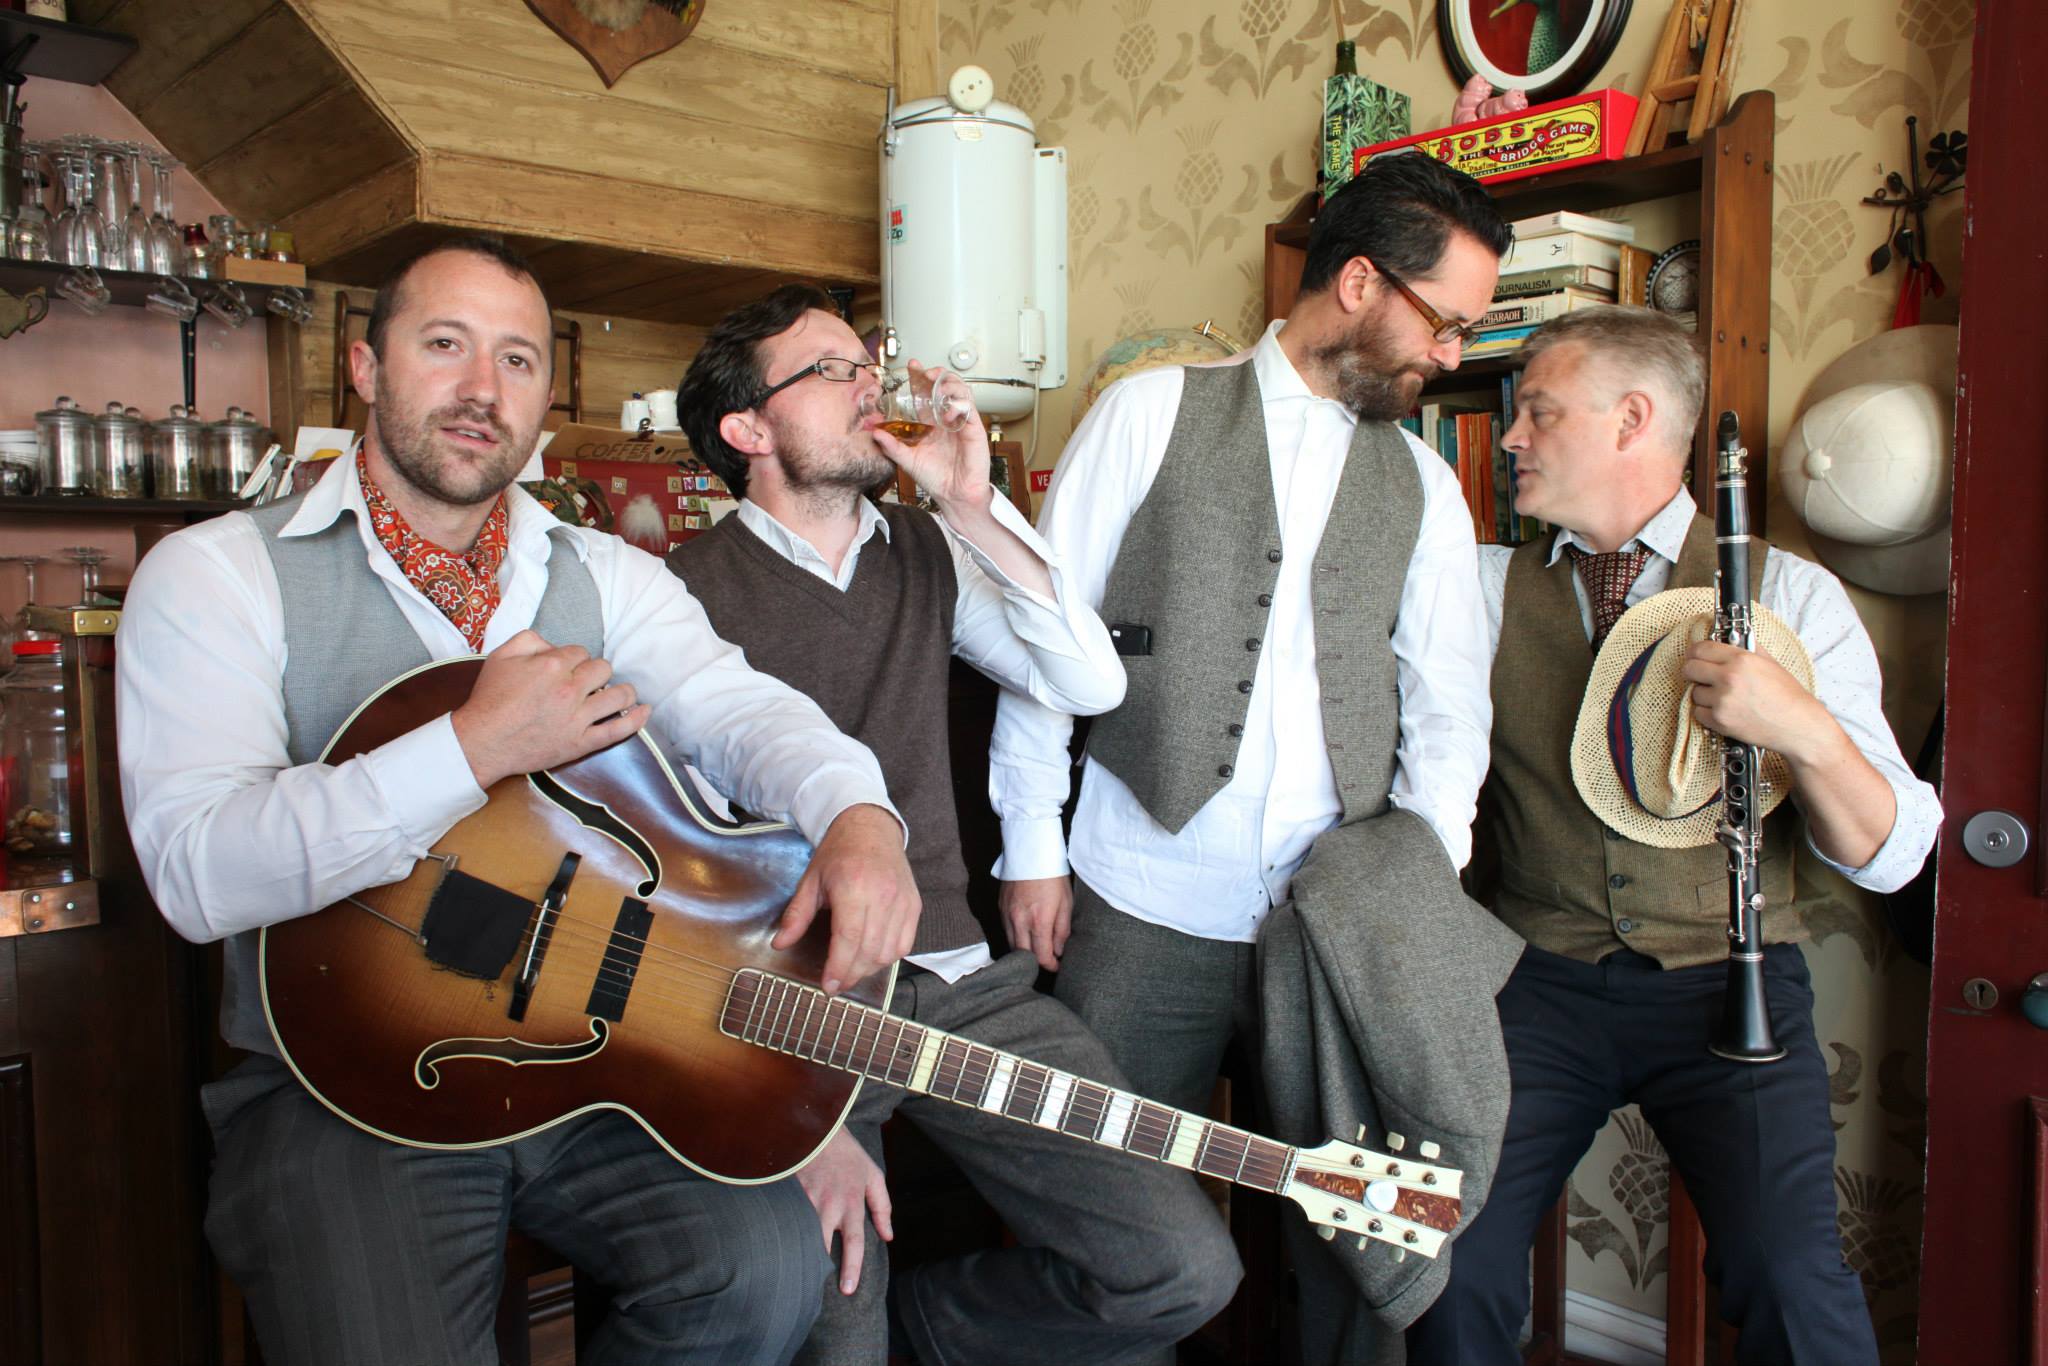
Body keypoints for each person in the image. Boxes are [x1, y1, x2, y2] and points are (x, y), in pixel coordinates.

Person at [116, 237, 929, 1366]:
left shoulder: (607, 575)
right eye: (444, 344)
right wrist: (473, 746)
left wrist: (856, 816)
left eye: (516, 359)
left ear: (546, 397)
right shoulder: (218, 574)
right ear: (365, 367)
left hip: (586, 1071)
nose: (480, 388)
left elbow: (740, 711)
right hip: (340, 1088)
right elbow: (196, 874)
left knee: (761, 1273)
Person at [668, 284, 1241, 1366]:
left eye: (865, 363)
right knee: (833, 1342)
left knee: (1184, 1269)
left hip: (962, 984)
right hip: (788, 1007)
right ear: (747, 430)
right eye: (831, 370)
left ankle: (926, 1330)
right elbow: (661, 866)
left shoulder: (928, 550)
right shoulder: (673, 594)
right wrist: (791, 1115)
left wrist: (972, 507)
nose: (868, 386)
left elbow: (1090, 680)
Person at [1404, 306, 1942, 1365]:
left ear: (1631, 420)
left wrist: (1800, 727)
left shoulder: (1788, 594)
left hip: (1729, 980)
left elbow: (1894, 855)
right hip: (1534, 981)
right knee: (1443, 1259)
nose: (1510, 437)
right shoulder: (1477, 588)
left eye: (1539, 412)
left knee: (1791, 1278)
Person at [990, 152, 1508, 1121]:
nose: (1450, 357)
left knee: (1327, 1198)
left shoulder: (1427, 486)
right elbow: (1043, 643)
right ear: (1360, 282)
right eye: (1445, 323)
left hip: (1333, 927)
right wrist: (1031, 847)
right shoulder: (1146, 413)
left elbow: (1447, 707)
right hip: (1139, 892)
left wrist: (1411, 890)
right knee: (1119, 1183)